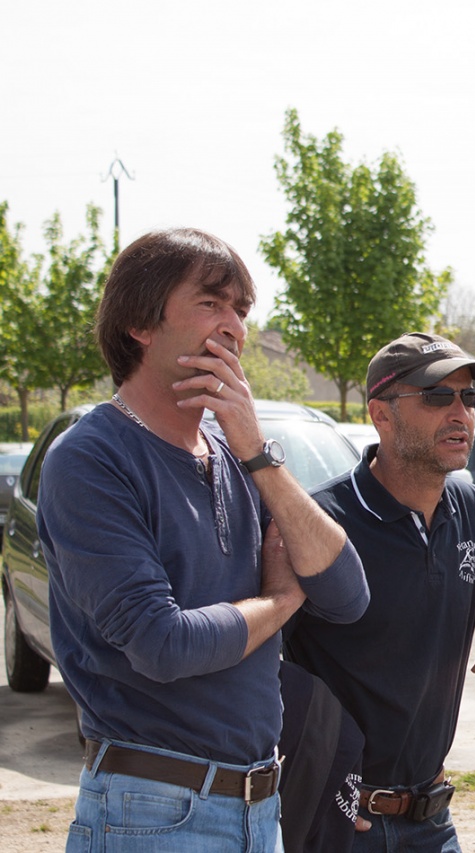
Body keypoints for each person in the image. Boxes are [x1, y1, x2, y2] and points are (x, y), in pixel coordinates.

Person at [37, 228, 369, 851]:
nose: (233, 328)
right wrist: (281, 601)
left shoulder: (239, 456)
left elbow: (348, 595)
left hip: (260, 807)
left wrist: (256, 451)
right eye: (210, 303)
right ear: (140, 323)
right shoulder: (90, 458)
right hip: (152, 812)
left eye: (240, 310)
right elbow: (162, 644)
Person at [284, 332, 475, 853]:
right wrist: (311, 778)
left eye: (470, 397)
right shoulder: (322, 522)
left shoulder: (472, 508)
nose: (460, 413)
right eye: (437, 396)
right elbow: (258, 664)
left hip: (433, 818)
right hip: (337, 823)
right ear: (381, 414)